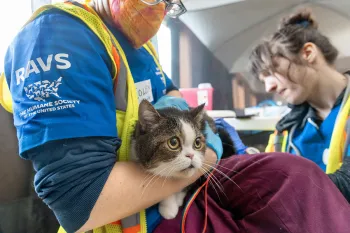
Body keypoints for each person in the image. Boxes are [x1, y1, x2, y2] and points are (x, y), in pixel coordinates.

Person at [0, 1, 349, 233]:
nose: (161, 9)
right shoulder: (56, 37)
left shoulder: (139, 44)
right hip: (139, 219)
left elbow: (179, 103)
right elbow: (80, 203)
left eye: (170, 4)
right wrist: (208, 153)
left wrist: (208, 141)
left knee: (292, 178)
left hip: (182, 180)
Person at [249, 9, 350, 201]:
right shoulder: (286, 132)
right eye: (263, 80)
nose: (269, 86)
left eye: (271, 71)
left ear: (308, 53)